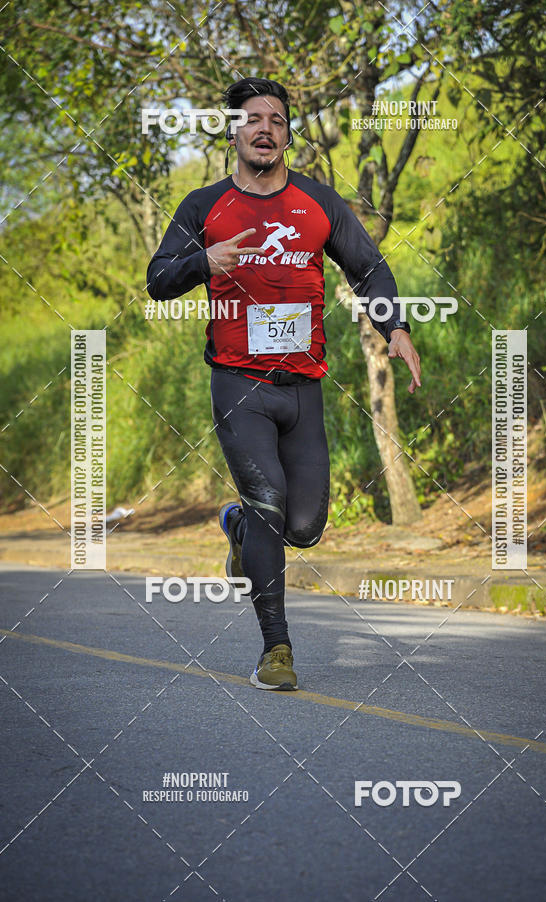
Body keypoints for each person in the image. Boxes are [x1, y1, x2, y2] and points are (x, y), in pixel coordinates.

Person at [146, 77, 421, 691]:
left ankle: (238, 529)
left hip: (303, 388)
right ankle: (277, 649)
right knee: (267, 500)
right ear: (233, 131)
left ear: (287, 132)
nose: (264, 128)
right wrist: (203, 262)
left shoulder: (318, 202)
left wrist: (394, 326)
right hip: (238, 384)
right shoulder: (203, 206)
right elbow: (157, 279)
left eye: (276, 118)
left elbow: (368, 268)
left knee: (304, 527)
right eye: (252, 119)